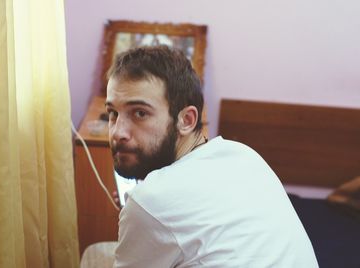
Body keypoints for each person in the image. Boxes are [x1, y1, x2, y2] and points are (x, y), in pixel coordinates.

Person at [105, 46, 318, 267]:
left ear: (186, 120)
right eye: (112, 113)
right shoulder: (244, 155)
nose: (118, 132)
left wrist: (142, 213)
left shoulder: (150, 201)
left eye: (140, 113)